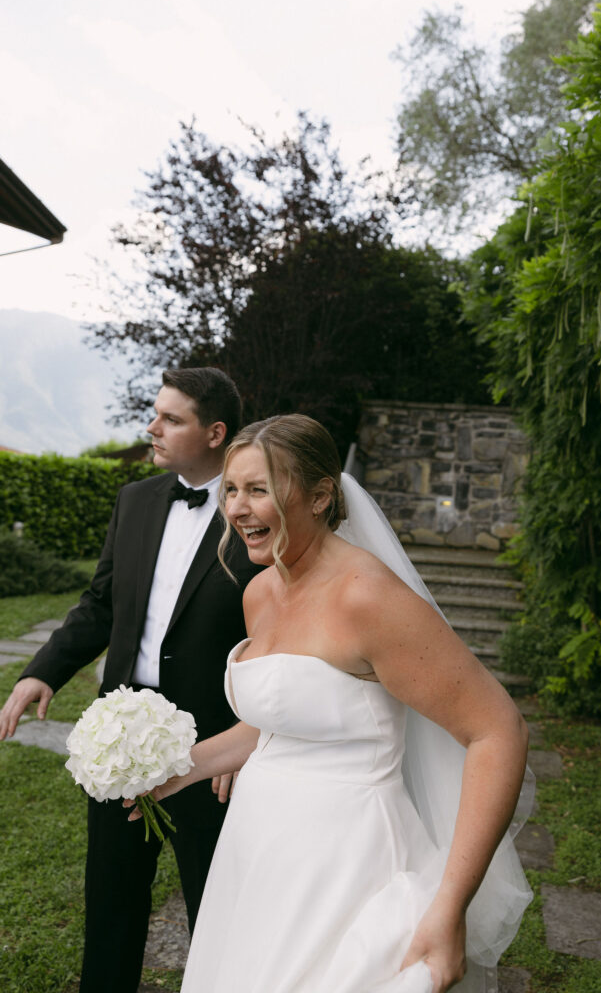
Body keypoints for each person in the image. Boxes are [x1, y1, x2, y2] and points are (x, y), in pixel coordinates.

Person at [126, 413, 533, 993]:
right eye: (232, 490)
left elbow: (499, 731)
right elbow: (276, 725)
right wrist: (174, 772)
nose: (237, 508)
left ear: (320, 496)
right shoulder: (260, 591)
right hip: (258, 849)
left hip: (348, 858)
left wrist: (448, 904)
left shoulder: (367, 598)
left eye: (259, 490)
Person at [0, 367, 261, 993]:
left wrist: (249, 732)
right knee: (112, 895)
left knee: (215, 902)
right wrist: (43, 672)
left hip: (214, 745)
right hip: (120, 739)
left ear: (215, 432)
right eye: (156, 413)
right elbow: (99, 604)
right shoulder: (136, 500)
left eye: (171, 418)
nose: (153, 427)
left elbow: (279, 632)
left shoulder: (255, 513)